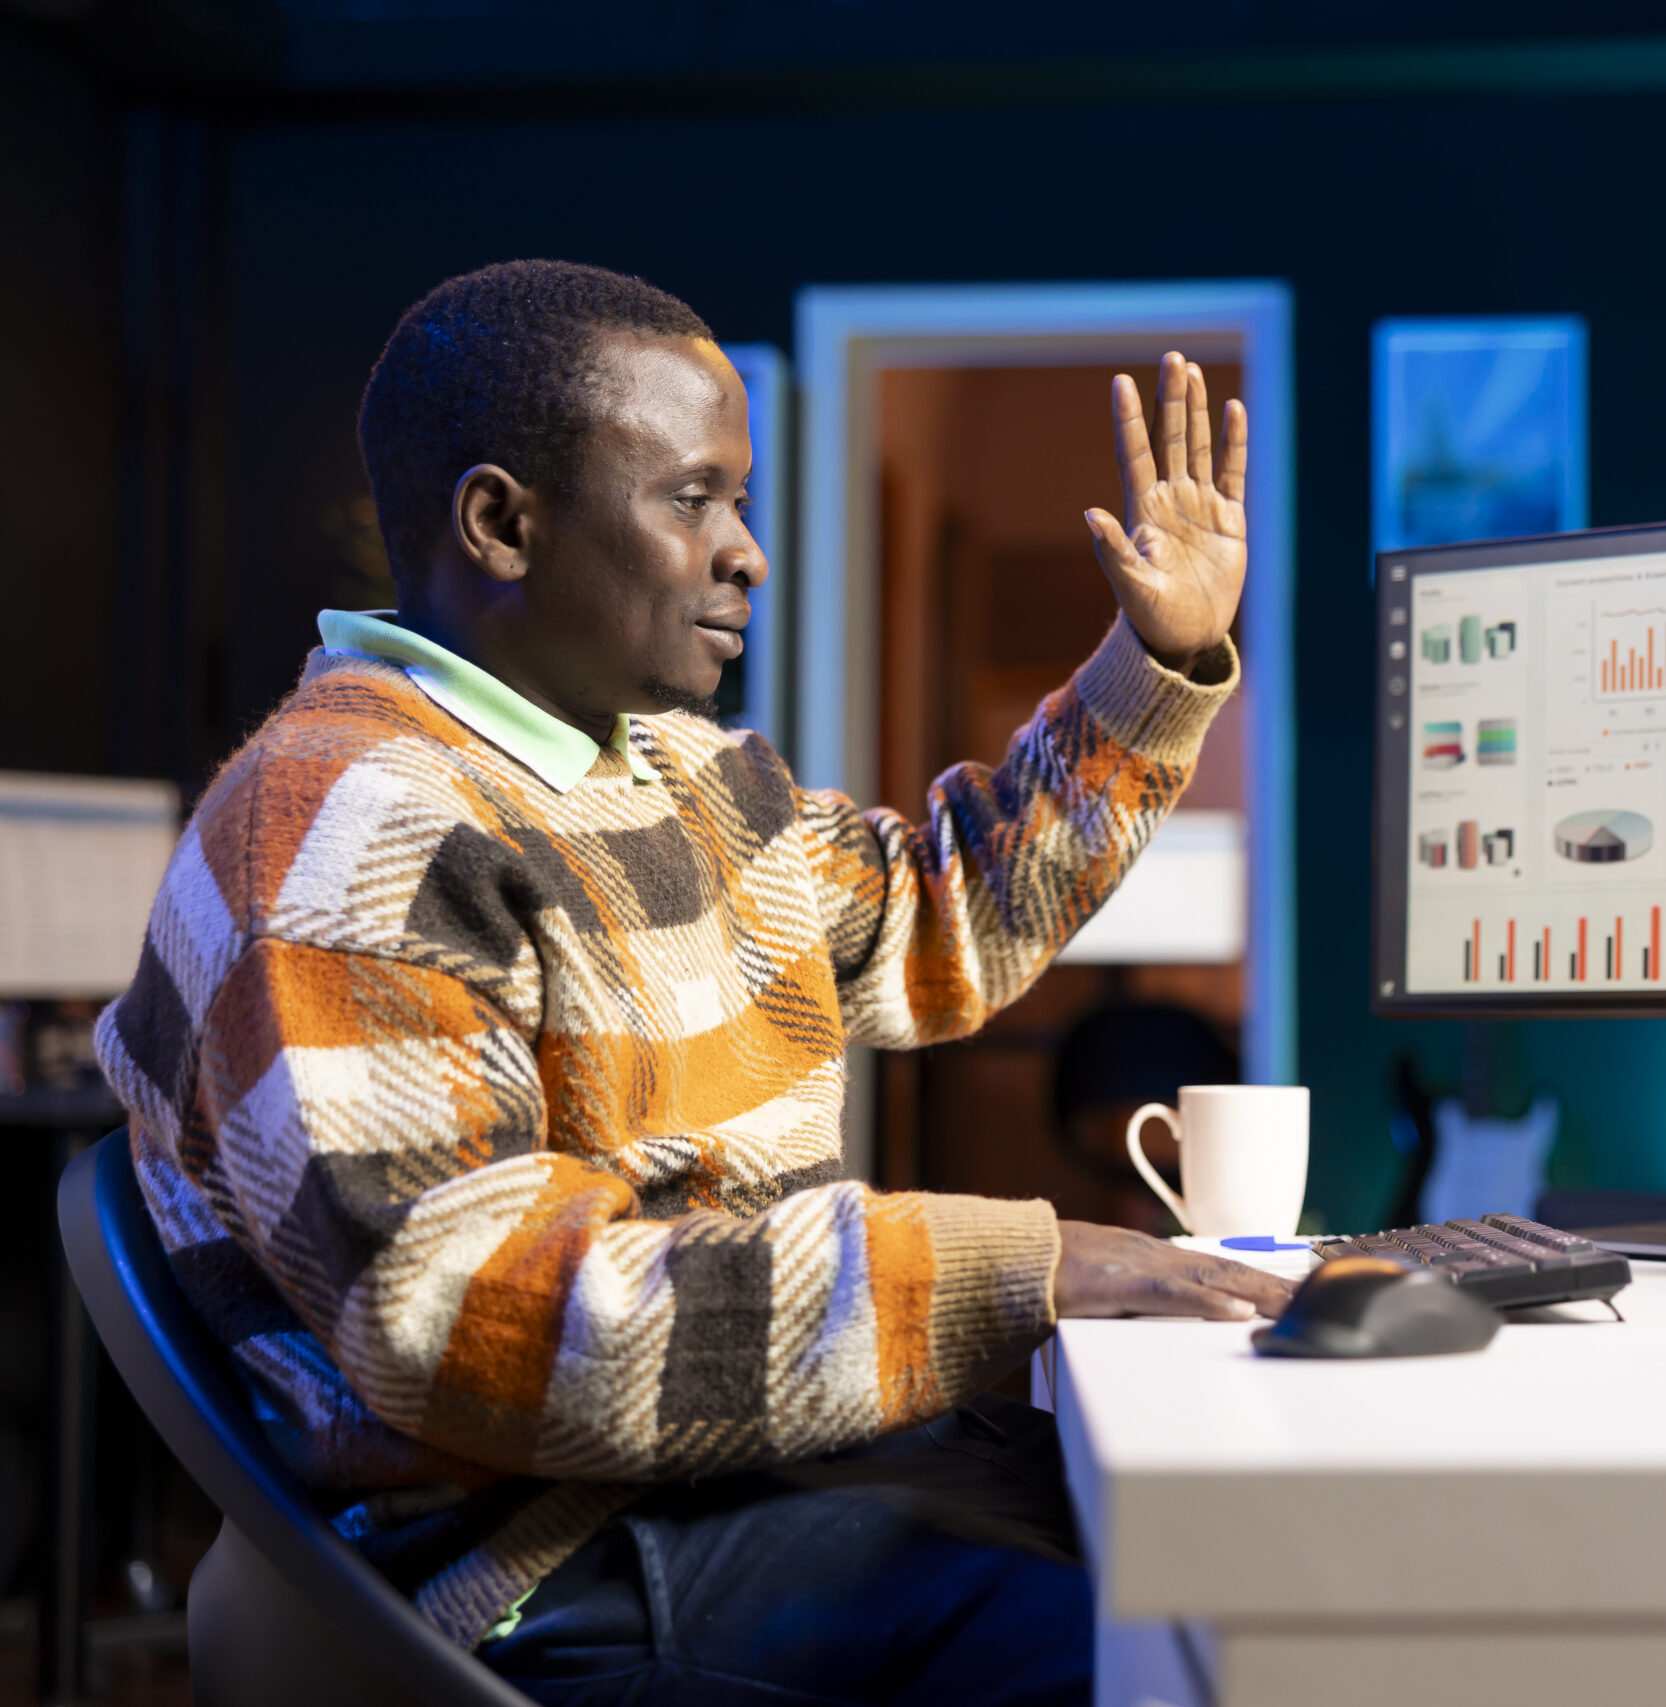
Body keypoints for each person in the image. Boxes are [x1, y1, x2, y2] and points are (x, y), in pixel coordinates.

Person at [93, 260, 1294, 1705]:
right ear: (501, 522)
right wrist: (1020, 1267)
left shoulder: (671, 767)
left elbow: (942, 914)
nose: (750, 553)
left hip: (760, 1469)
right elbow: (480, 1318)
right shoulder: (342, 832)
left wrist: (1157, 657)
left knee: (1252, 1567)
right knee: (1196, 1661)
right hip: (571, 1557)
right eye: (691, 498)